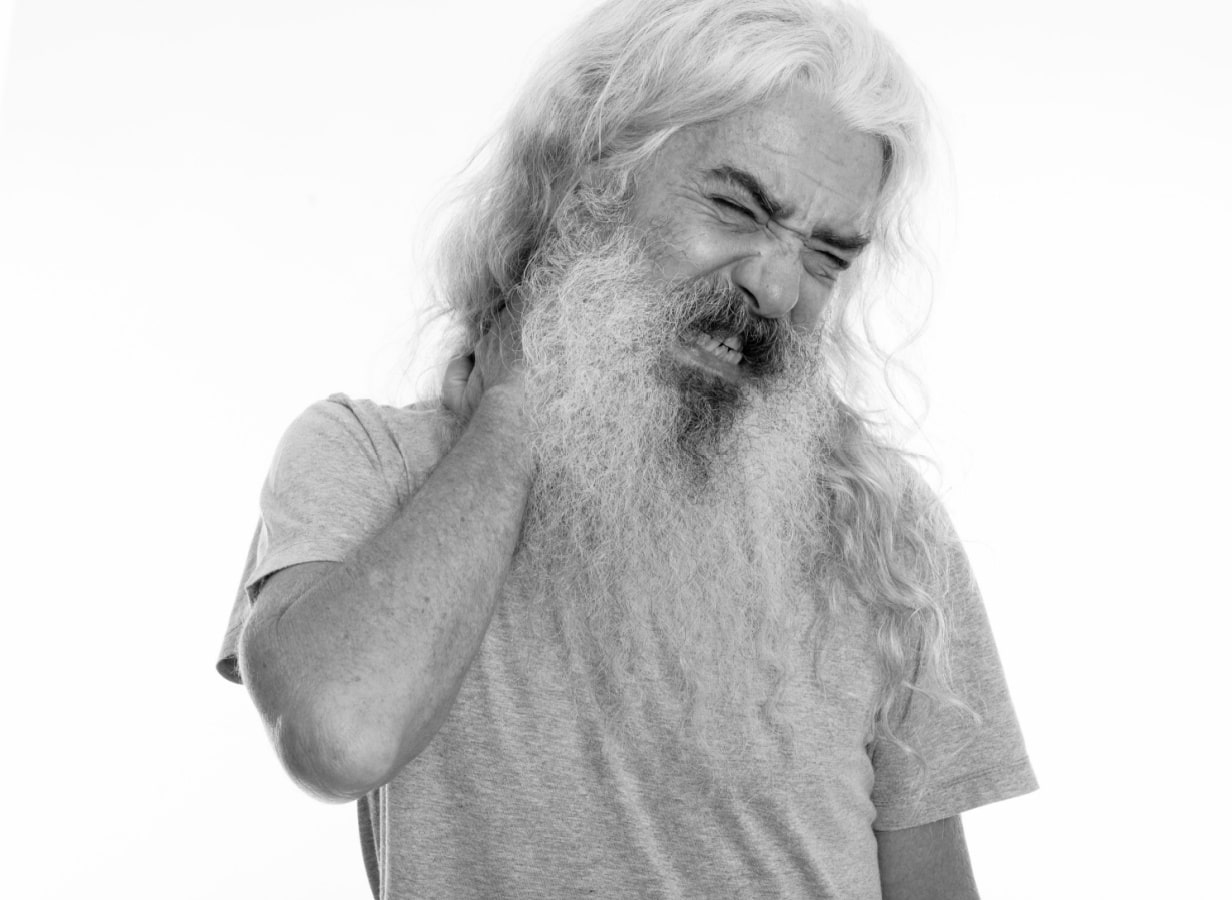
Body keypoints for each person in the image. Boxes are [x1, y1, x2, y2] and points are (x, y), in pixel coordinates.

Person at [215, 0, 1037, 896]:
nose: (775, 286)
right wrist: (519, 407)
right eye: (735, 206)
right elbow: (341, 738)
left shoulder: (877, 524)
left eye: (826, 257)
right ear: (586, 183)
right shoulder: (366, 458)